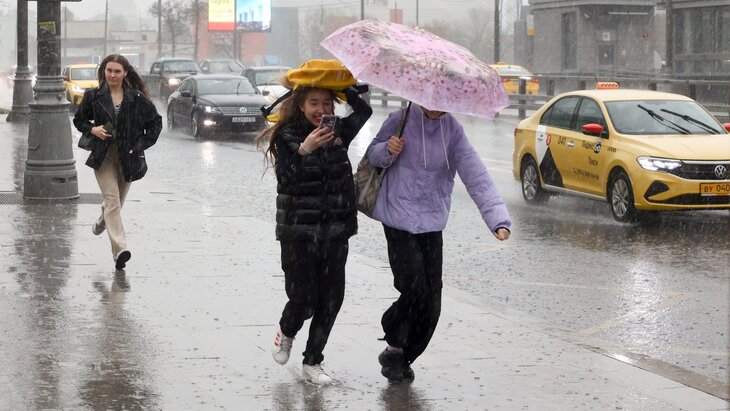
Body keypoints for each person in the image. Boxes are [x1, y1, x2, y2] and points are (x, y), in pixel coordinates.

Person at [365, 103, 511, 382]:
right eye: (430, 103)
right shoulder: (400, 119)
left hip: (432, 223)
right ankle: (394, 337)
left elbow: (476, 176)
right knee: (414, 288)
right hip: (398, 219)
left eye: (441, 105)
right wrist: (387, 150)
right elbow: (372, 154)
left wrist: (497, 218)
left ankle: (402, 356)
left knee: (432, 305)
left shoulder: (453, 131)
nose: (435, 108)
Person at [255, 61, 372, 385]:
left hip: (336, 230)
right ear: (300, 106)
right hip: (298, 231)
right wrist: (305, 150)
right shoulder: (288, 135)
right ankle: (287, 330)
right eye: (314, 103)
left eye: (326, 103)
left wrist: (344, 88)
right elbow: (285, 180)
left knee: (331, 299)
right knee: (303, 298)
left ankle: (313, 361)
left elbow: (364, 111)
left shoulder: (339, 132)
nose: (321, 110)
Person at [73, 54, 162, 270]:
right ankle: (120, 250)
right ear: (104, 71)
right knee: (112, 201)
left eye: (117, 71)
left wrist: (138, 146)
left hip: (128, 157)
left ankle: (102, 220)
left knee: (116, 204)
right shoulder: (93, 96)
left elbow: (155, 124)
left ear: (125, 73)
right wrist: (93, 129)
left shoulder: (136, 98)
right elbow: (79, 120)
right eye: (109, 70)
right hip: (103, 156)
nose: (112, 75)